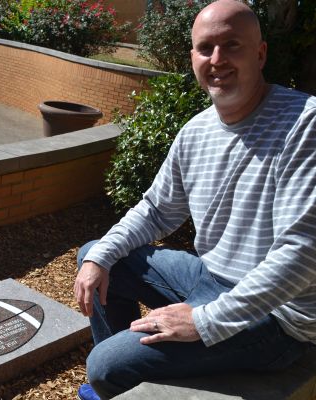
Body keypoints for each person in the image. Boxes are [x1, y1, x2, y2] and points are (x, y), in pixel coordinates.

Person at [73, 0, 316, 399]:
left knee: (103, 365)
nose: (217, 59)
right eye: (206, 48)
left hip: (279, 318)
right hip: (209, 277)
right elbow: (155, 210)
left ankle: (118, 372)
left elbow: (302, 252)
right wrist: (101, 258)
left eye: (232, 45)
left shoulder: (304, 123)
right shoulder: (196, 131)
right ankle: (126, 378)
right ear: (192, 58)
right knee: (96, 254)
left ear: (261, 53)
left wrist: (204, 322)